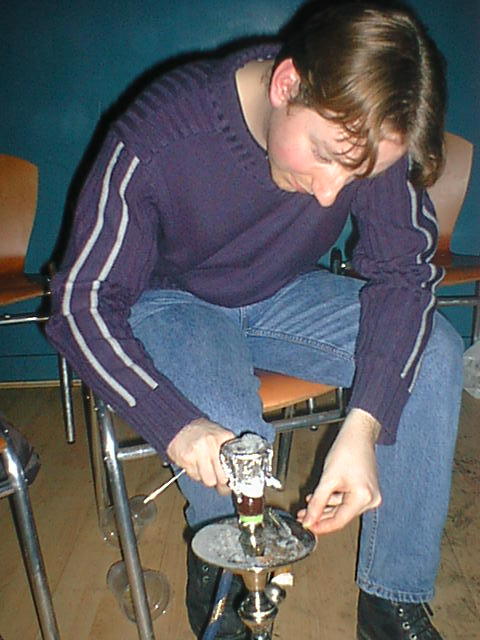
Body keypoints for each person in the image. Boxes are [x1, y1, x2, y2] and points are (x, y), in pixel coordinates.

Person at [46, 2, 464, 638]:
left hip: (282, 289)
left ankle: (391, 601)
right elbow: (82, 303)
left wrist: (365, 421)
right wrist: (176, 425)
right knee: (232, 434)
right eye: (323, 156)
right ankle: (223, 584)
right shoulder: (159, 133)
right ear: (286, 84)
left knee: (434, 353)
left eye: (355, 176)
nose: (330, 194)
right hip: (173, 299)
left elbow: (404, 274)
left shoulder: (364, 128)